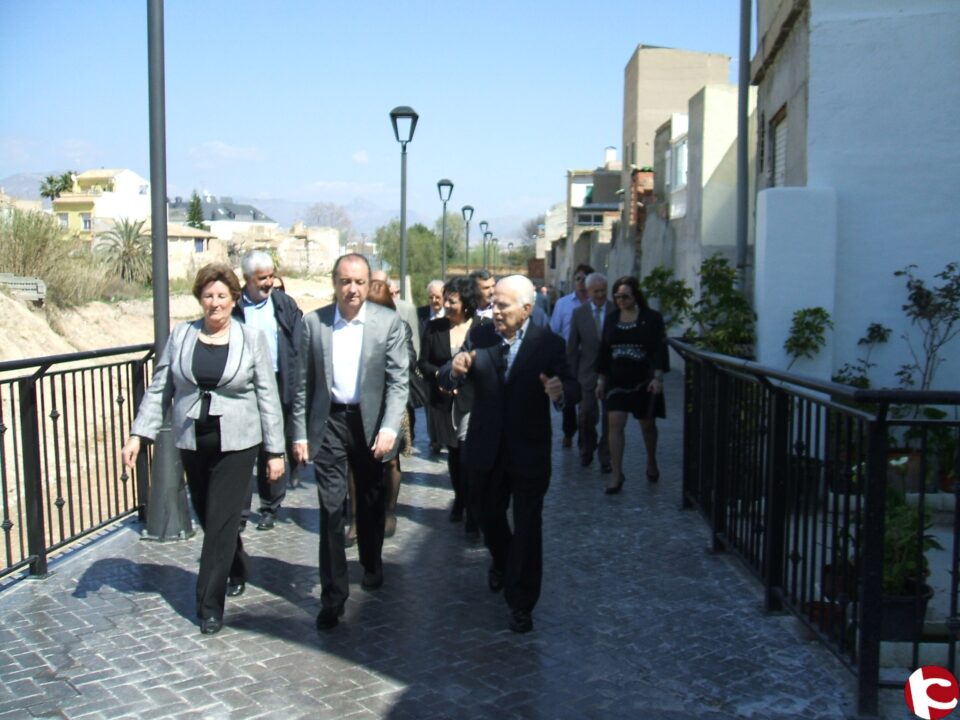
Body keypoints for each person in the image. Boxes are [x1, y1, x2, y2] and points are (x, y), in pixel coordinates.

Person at [121, 263, 286, 635]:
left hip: (238, 442)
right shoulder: (182, 335)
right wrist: (138, 435)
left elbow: (267, 396)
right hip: (193, 439)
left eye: (222, 296)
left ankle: (208, 604)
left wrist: (275, 452)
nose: (215, 304)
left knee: (220, 521)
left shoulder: (250, 338)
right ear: (199, 299)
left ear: (234, 299)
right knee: (211, 515)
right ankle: (238, 564)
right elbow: (161, 386)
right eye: (208, 296)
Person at [442, 275, 578, 633]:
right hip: (486, 448)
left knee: (529, 526)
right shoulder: (481, 335)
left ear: (527, 309)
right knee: (487, 516)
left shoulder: (548, 344)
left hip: (529, 450)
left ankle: (522, 603)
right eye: (494, 304)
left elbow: (574, 386)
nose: (495, 311)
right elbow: (451, 372)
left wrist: (560, 390)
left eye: (503, 305)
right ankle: (503, 560)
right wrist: (454, 371)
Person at [292, 253, 408, 631]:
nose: (353, 289)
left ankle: (371, 562)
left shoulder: (387, 323)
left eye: (359, 282)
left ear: (367, 283)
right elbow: (301, 385)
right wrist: (299, 433)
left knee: (371, 502)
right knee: (330, 508)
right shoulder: (314, 323)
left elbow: (398, 381)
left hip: (371, 423)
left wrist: (390, 427)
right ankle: (333, 596)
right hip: (330, 423)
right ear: (335, 283)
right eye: (345, 281)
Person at [234, 249, 303, 530]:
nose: (269, 283)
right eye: (262, 278)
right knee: (242, 449)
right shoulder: (235, 307)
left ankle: (270, 506)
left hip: (278, 382)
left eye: (271, 277)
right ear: (247, 279)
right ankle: (238, 511)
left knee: (271, 448)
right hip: (244, 386)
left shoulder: (285, 304)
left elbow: (299, 344)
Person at [418, 275, 485, 540]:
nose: (446, 305)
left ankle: (472, 512)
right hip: (443, 400)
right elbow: (423, 363)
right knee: (455, 457)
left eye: (452, 301)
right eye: (445, 299)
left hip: (474, 401)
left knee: (469, 456)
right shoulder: (434, 328)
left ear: (466, 302)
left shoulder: (483, 328)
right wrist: (441, 376)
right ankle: (460, 497)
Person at [595, 276, 667, 494]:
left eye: (625, 296)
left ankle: (651, 461)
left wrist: (658, 377)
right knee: (614, 422)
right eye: (616, 296)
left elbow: (659, 348)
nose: (620, 300)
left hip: (643, 378)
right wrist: (601, 380)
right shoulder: (611, 319)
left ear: (635, 296)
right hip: (617, 378)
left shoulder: (651, 318)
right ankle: (617, 474)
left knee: (647, 424)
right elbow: (604, 350)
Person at [365, 278, 417, 538]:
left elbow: (409, 360)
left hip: (391, 400)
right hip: (362, 401)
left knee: (390, 459)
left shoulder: (399, 326)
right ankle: (354, 517)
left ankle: (389, 511)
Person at [567, 272, 614, 473]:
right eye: (596, 291)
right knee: (586, 415)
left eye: (603, 290)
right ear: (588, 292)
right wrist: (572, 375)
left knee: (610, 419)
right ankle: (587, 448)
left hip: (612, 374)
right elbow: (572, 347)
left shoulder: (615, 310)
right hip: (587, 374)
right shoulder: (579, 314)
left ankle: (606, 456)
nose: (600, 295)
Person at [549, 264, 594, 448]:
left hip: (590, 359)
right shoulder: (563, 304)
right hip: (568, 358)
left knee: (587, 403)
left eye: (585, 278)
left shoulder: (596, 304)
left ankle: (586, 436)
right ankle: (569, 432)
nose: (581, 283)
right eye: (578, 278)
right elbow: (554, 331)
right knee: (569, 398)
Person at [417, 279, 445, 454]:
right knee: (430, 405)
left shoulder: (450, 314)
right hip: (426, 365)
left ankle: (446, 435)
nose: (434, 301)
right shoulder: (419, 314)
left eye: (438, 297)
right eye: (431, 297)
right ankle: (435, 439)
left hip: (445, 364)